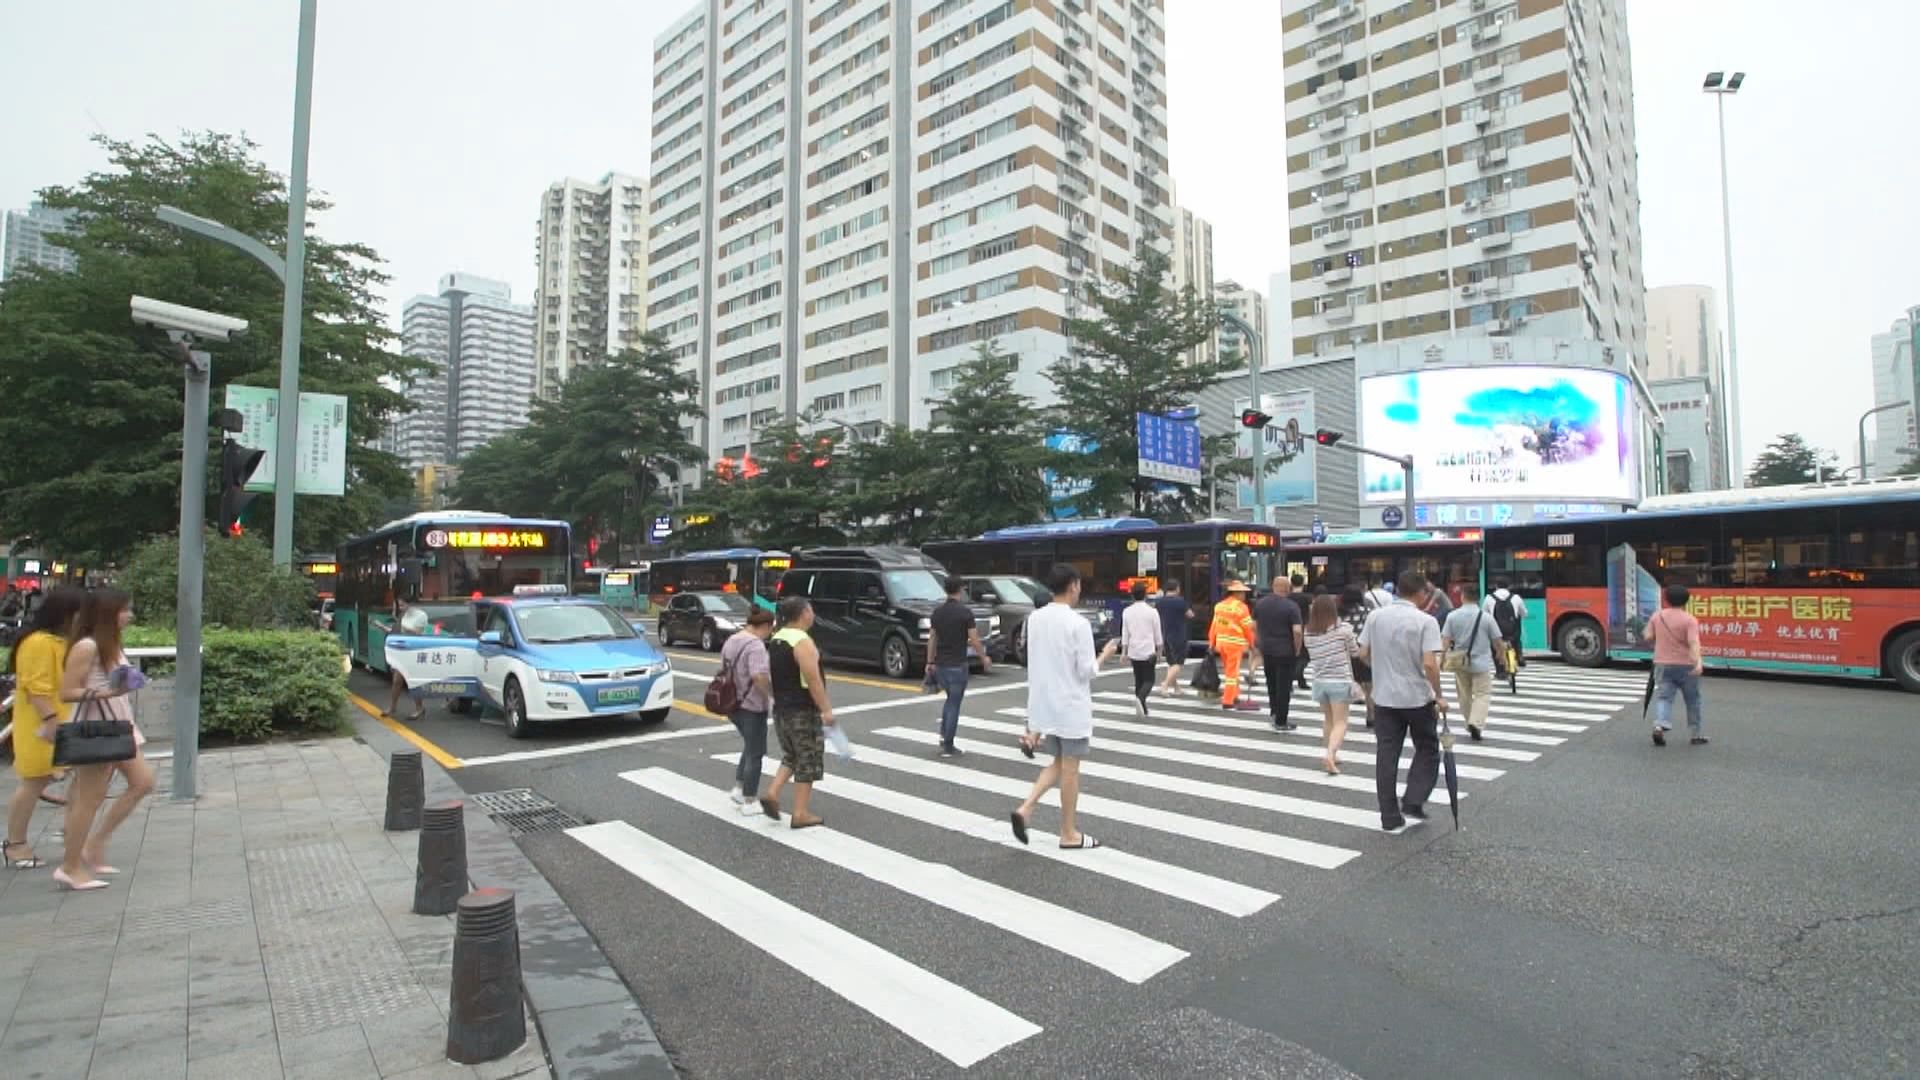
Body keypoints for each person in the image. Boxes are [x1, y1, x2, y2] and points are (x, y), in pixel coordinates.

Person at [1010, 564, 1118, 850]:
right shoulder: (1078, 623)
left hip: (1045, 706)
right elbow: (1086, 671)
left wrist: (1033, 723)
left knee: (1058, 764)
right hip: (1070, 707)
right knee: (1070, 770)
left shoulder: (1034, 619)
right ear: (1073, 586)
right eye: (1079, 584)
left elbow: (1033, 661)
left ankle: (1026, 808)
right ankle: (1068, 833)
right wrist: (1105, 655)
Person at [59, 588, 154, 876]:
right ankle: (71, 866)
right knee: (89, 799)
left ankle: (95, 844)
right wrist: (106, 693)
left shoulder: (109, 644)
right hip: (97, 727)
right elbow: (66, 691)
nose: (129, 615)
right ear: (107, 613)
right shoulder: (87, 646)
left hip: (118, 723)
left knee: (143, 782)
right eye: (124, 610)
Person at [1356, 571, 1448, 832]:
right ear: (1420, 593)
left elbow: (1362, 653)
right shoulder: (1426, 621)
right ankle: (1413, 799)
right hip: (1417, 697)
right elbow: (1429, 663)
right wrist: (1439, 695)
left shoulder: (1375, 617)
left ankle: (1389, 815)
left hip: (1384, 698)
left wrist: (1380, 668)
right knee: (1427, 748)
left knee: (1387, 754)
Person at [4, 586, 87, 872]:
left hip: (59, 721)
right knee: (34, 782)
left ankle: (72, 834)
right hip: (43, 723)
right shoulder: (38, 642)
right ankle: (15, 844)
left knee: (74, 779)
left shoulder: (58, 641)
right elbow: (35, 687)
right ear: (66, 614)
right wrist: (50, 720)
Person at [760, 597, 834, 828]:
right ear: (803, 614)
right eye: (811, 610)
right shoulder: (802, 642)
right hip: (802, 710)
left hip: (781, 709)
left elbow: (765, 676)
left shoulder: (777, 638)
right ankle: (800, 813)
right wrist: (826, 710)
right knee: (807, 759)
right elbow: (813, 680)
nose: (813, 614)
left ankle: (772, 793)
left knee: (791, 755)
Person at [720, 609, 776, 812]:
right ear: (766, 626)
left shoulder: (732, 640)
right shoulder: (755, 646)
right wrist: (771, 696)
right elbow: (758, 676)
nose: (770, 634)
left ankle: (739, 787)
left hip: (732, 703)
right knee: (756, 752)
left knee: (750, 746)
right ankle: (750, 800)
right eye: (771, 629)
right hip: (751, 706)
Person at [925, 575, 987, 757]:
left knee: (949, 700)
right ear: (960, 589)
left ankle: (944, 736)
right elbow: (974, 639)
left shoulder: (937, 613)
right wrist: (983, 657)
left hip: (941, 665)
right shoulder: (965, 613)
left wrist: (929, 662)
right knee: (954, 703)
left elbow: (932, 638)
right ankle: (948, 744)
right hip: (958, 665)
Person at [1303, 594, 1360, 775]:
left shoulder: (1308, 632)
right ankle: (1330, 754)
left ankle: (1332, 753)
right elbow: (1355, 652)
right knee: (1340, 722)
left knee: (1328, 720)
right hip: (1339, 681)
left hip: (1319, 681)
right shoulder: (1343, 630)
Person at [1644, 583, 1706, 746]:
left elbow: (1648, 636)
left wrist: (1660, 638)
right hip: (1686, 665)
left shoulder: (1657, 616)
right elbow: (1694, 643)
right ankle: (1696, 734)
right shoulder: (1690, 620)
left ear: (1666, 599)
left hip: (1663, 664)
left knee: (1664, 698)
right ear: (1686, 600)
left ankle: (1659, 725)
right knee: (1693, 700)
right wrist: (1698, 663)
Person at [1441, 581, 1503, 742]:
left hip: (1460, 662)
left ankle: (1470, 721)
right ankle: (1476, 722)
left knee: (1464, 695)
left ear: (1462, 597)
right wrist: (1501, 655)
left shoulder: (1452, 616)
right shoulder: (1486, 617)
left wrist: (1441, 658)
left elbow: (1445, 640)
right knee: (1483, 694)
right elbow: (1497, 640)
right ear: (1478, 598)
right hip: (1481, 663)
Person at [1253, 576, 1304, 731]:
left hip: (1267, 649)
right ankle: (1281, 721)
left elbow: (1253, 626)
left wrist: (1258, 643)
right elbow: (1297, 631)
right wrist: (1297, 648)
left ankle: (1274, 711)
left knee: (1272, 683)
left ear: (1273, 587)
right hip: (1285, 651)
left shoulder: (1261, 604)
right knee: (1284, 686)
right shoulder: (1291, 606)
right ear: (1287, 588)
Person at [1208, 580, 1257, 711]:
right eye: (1243, 593)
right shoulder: (1241, 608)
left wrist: (1211, 642)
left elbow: (1214, 626)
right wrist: (1252, 643)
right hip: (1235, 644)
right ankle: (1228, 700)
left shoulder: (1219, 606)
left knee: (1230, 670)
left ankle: (1235, 695)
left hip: (1221, 643)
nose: (1245, 595)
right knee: (1232, 673)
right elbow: (1248, 628)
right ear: (1236, 593)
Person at [1118, 581, 1162, 717]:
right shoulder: (1152, 612)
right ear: (1145, 594)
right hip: (1148, 651)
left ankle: (1142, 709)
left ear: (1132, 595)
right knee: (1149, 680)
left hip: (1134, 651)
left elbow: (1125, 633)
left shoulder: (1126, 612)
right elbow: (1157, 634)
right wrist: (1159, 651)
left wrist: (1123, 652)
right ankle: (1141, 698)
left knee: (1139, 680)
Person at [1339, 584, 1377, 728]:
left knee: (1346, 686)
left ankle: (1340, 718)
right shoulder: (1368, 612)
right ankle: (1371, 715)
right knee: (1370, 687)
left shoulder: (1339, 614)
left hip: (1345, 654)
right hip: (1364, 652)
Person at [387, 598, 429, 722]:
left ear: (410, 604)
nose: (400, 608)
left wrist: (405, 627)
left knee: (413, 681)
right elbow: (397, 633)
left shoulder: (421, 615)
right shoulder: (403, 615)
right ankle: (392, 708)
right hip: (403, 651)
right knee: (396, 681)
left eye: (402, 605)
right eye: (399, 605)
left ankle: (419, 708)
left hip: (415, 651)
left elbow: (419, 633)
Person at [1153, 580, 1194, 696]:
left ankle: (1176, 688)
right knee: (1178, 663)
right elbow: (1190, 614)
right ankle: (1165, 685)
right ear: (1176, 588)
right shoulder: (1180, 601)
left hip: (1165, 635)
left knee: (1171, 663)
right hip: (1178, 635)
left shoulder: (1160, 602)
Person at [1484, 579, 1528, 668]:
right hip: (1512, 631)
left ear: (1496, 586)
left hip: (1497, 631)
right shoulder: (1516, 597)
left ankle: (1499, 670)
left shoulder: (1489, 598)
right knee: (1516, 639)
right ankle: (1519, 655)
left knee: (1495, 646)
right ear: (1508, 587)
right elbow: (1524, 614)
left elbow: (1484, 614)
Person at [1289, 575, 1312, 689]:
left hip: (1289, 628)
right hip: (1304, 628)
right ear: (1303, 583)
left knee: (1292, 654)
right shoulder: (1307, 598)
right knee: (1305, 655)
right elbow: (1311, 612)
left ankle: (1299, 680)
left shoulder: (1287, 597)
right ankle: (1296, 675)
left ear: (1291, 583)